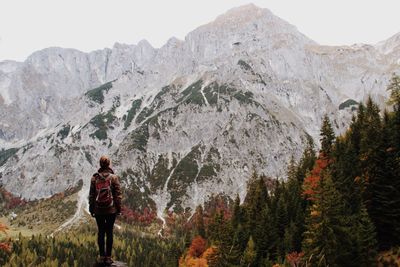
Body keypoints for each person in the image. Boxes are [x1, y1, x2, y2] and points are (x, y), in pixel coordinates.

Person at [89, 155, 122, 266]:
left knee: (101, 232)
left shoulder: (95, 178)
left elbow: (92, 195)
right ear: (108, 164)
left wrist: (91, 209)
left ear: (100, 164)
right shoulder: (114, 178)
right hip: (110, 210)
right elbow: (117, 195)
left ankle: (101, 256)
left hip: (98, 210)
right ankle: (108, 257)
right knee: (109, 232)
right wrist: (118, 209)